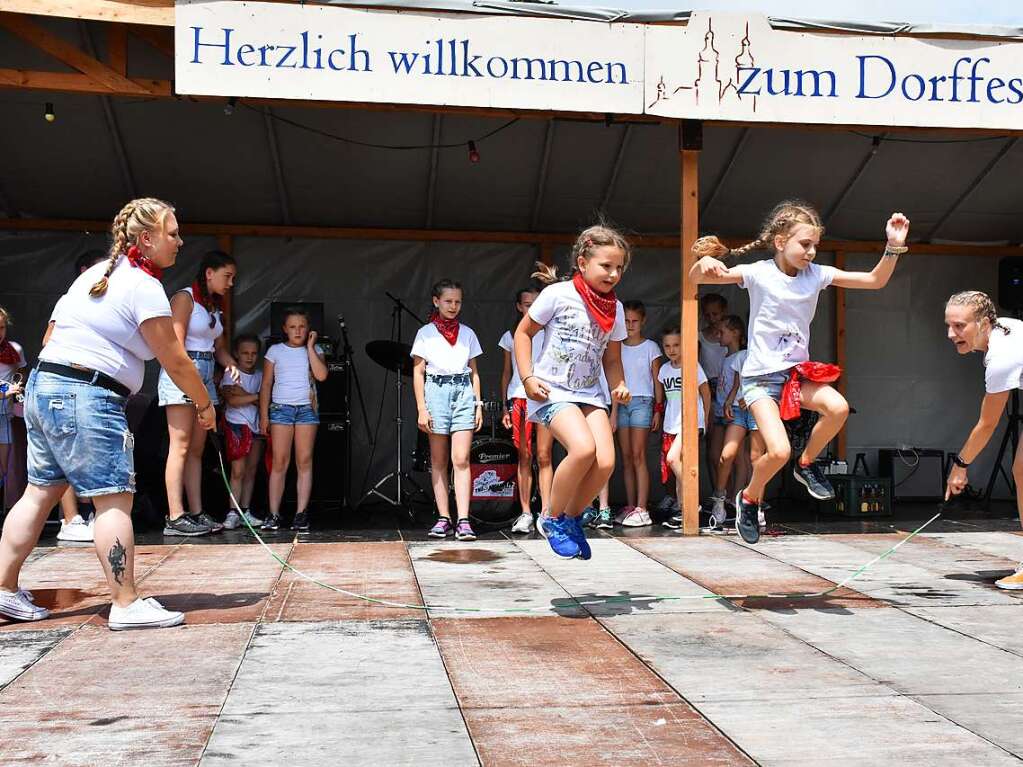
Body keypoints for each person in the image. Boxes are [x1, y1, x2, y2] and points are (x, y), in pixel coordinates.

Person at [0, 197, 215, 629]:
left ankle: (3, 590)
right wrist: (205, 404)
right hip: (87, 395)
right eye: (173, 233)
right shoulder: (143, 285)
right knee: (114, 496)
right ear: (147, 238)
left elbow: (49, 336)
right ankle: (125, 602)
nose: (180, 241)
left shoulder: (94, 276)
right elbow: (174, 358)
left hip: (47, 387)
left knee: (39, 492)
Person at [690, 200, 909, 544]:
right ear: (780, 241)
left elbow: (873, 280)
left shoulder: (816, 275)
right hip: (760, 379)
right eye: (804, 244)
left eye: (815, 246)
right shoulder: (759, 273)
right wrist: (703, 262)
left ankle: (806, 463)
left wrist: (893, 246)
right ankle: (748, 498)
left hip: (795, 376)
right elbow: (697, 278)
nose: (811, 252)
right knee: (776, 452)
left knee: (837, 408)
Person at [514, 224, 631, 560]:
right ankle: (550, 518)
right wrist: (526, 378)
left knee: (606, 461)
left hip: (591, 393)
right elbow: (523, 335)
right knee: (582, 449)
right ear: (583, 263)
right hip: (552, 391)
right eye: (606, 266)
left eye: (619, 268)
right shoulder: (558, 294)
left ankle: (571, 518)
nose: (613, 274)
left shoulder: (616, 308)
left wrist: (620, 384)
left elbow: (612, 357)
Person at [944, 291, 1023, 590]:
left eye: (960, 326)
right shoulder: (1004, 328)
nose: (951, 334)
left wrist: (960, 465)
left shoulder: (1002, 357)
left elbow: (987, 424)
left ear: (984, 322)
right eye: (949, 325)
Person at [160, 250, 240, 537]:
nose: (230, 283)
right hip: (183, 371)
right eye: (227, 276)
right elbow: (175, 344)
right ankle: (174, 514)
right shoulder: (185, 298)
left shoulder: (214, 307)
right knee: (179, 445)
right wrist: (190, 378)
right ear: (209, 273)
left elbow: (218, 349)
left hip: (206, 373)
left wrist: (231, 365)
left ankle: (195, 511)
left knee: (196, 449)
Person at [412, 279, 484, 542]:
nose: (453, 306)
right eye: (448, 301)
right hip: (436, 392)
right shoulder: (425, 333)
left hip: (463, 390)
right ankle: (444, 518)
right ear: (436, 301)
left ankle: (464, 519)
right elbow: (418, 372)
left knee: (462, 458)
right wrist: (422, 408)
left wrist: (478, 404)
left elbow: (474, 372)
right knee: (439, 460)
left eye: (457, 302)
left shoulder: (467, 333)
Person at [46, 250, 108, 542]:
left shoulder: (109, 301)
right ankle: (70, 519)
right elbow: (49, 340)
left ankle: (96, 516)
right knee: (66, 456)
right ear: (85, 270)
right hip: (71, 386)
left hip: (100, 391)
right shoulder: (70, 300)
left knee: (97, 455)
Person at [260, 308, 328, 532]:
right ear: (284, 329)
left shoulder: (315, 349)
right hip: (281, 409)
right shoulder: (275, 351)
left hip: (307, 409)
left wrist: (309, 347)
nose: (297, 330)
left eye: (302, 326)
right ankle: (273, 514)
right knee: (280, 462)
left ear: (308, 329)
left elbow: (321, 375)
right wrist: (263, 415)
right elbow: (266, 384)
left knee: (304, 461)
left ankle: (301, 514)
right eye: (292, 327)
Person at [499, 287, 554, 535]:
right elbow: (506, 374)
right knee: (524, 456)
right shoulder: (510, 335)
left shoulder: (549, 330)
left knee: (544, 456)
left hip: (545, 397)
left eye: (536, 303)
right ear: (519, 307)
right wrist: (504, 406)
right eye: (527, 304)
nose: (531, 308)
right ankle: (525, 513)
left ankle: (547, 513)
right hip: (519, 398)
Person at [709, 315, 765, 529]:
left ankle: (756, 506)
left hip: (757, 407)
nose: (718, 335)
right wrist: (732, 399)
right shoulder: (736, 357)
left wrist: (748, 397)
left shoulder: (751, 352)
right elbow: (738, 382)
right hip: (737, 410)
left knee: (756, 457)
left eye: (723, 332)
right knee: (728, 454)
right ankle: (720, 498)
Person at [613, 300, 662, 528]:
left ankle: (643, 508)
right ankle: (631, 506)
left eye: (634, 321)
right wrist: (613, 411)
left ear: (643, 321)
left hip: (643, 401)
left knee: (639, 455)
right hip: (621, 402)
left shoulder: (651, 347)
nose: (630, 325)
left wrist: (658, 410)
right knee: (627, 458)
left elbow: (657, 380)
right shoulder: (616, 346)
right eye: (626, 321)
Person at [657, 324, 711, 530]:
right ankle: (683, 509)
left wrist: (705, 420)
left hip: (690, 422)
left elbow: (705, 393)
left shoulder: (693, 366)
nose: (672, 350)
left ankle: (692, 499)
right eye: (667, 346)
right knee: (676, 465)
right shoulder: (663, 370)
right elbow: (666, 399)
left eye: (676, 345)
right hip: (671, 423)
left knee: (672, 459)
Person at [220, 333, 265, 530]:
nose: (249, 357)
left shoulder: (261, 375)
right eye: (245, 353)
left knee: (251, 470)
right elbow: (232, 400)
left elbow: (266, 400)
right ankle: (233, 511)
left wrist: (246, 395)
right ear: (236, 354)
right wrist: (257, 397)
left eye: (254, 353)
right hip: (236, 423)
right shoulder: (231, 374)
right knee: (238, 470)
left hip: (255, 426)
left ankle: (245, 510)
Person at [699, 293, 730, 516]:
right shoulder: (700, 337)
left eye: (716, 314)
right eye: (707, 314)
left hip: (730, 389)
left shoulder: (731, 334)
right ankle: (716, 493)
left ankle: (735, 495)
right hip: (709, 389)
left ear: (724, 312)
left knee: (735, 450)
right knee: (712, 449)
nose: (711, 318)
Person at [0, 307, 27, 504]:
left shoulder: (14, 349)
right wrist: (5, 392)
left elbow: (21, 371)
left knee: (3, 468)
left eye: (1, 328)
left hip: (4, 416)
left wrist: (18, 385)